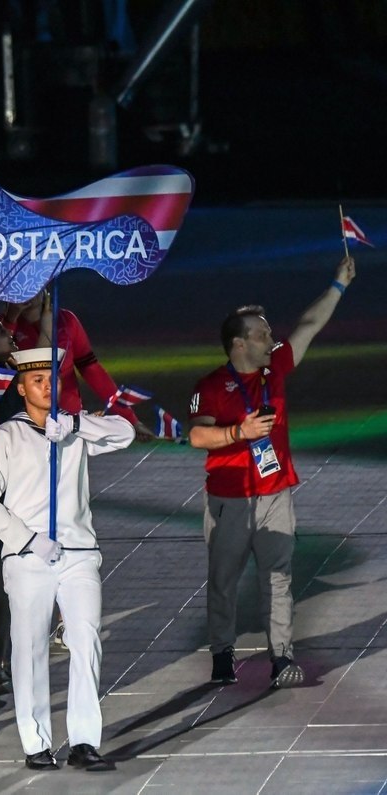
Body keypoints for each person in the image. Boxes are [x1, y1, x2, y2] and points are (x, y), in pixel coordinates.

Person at [187, 257, 356, 689]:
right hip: (229, 498)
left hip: (275, 493)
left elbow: (309, 326)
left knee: (278, 578)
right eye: (262, 334)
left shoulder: (274, 368)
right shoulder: (209, 385)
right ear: (239, 344)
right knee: (223, 581)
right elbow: (197, 436)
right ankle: (222, 652)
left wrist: (338, 284)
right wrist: (238, 432)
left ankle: (281, 656)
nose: (271, 339)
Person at [0, 347, 135, 772]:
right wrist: (24, 539)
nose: (46, 387)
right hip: (29, 558)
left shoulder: (74, 429)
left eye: (52, 379)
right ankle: (36, 742)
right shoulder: (6, 435)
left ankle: (84, 740)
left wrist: (78, 424)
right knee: (29, 649)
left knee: (85, 640)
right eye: (37, 380)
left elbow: (125, 433)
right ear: (22, 386)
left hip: (79, 554)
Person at [5, 289, 153, 439]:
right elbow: (4, 369)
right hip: (27, 424)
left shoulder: (67, 321)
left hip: (69, 421)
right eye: (19, 287)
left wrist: (130, 419)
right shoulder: (3, 329)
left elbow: (92, 370)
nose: (27, 292)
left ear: (44, 288)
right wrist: (11, 319)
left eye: (33, 285)